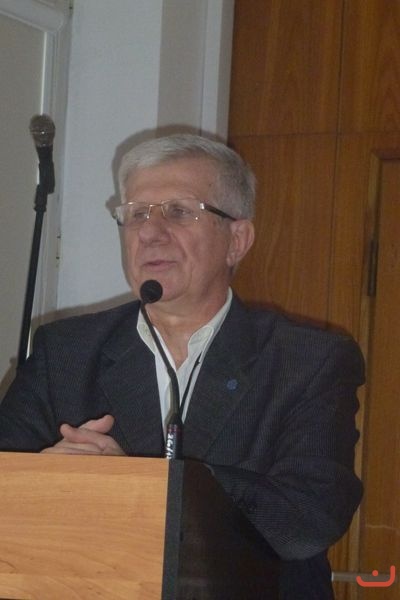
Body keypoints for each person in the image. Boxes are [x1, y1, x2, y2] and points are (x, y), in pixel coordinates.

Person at [0, 134, 364, 598]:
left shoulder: (307, 360)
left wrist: (140, 486)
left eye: (178, 211)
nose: (150, 232)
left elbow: (308, 519)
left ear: (237, 240)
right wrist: (45, 482)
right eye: (136, 214)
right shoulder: (65, 352)